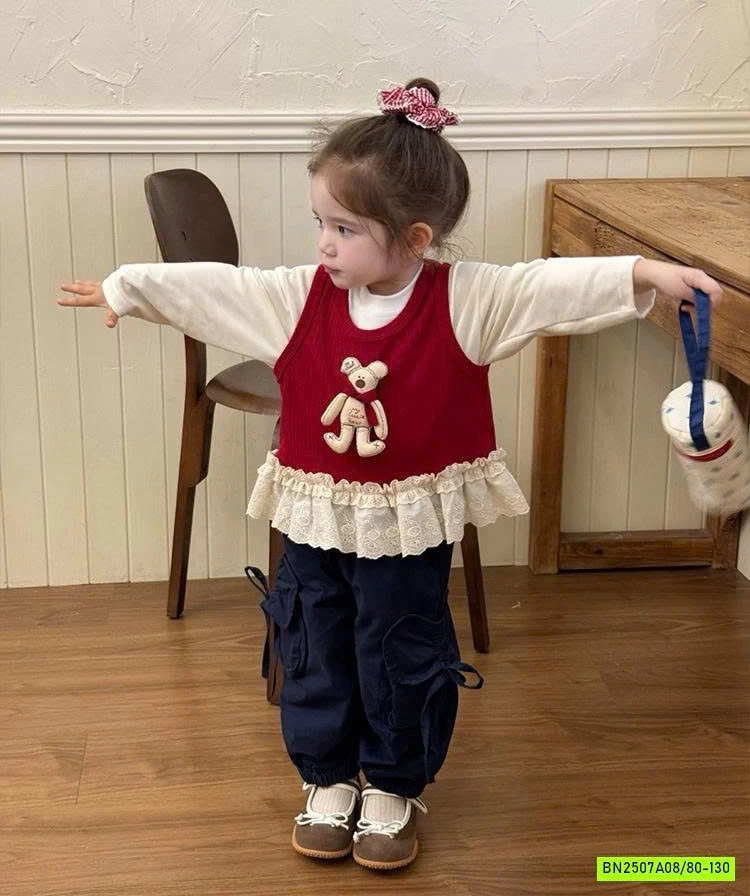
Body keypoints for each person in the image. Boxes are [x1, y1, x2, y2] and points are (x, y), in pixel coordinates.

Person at [57, 78, 723, 872]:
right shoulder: (295, 299)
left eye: (343, 228)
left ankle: (394, 786)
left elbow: (547, 288)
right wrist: (128, 288)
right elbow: (218, 288)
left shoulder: (468, 301)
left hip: (408, 527)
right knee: (314, 640)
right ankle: (328, 777)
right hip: (316, 517)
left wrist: (645, 273)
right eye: (320, 222)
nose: (324, 244)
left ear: (413, 238)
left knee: (400, 647)